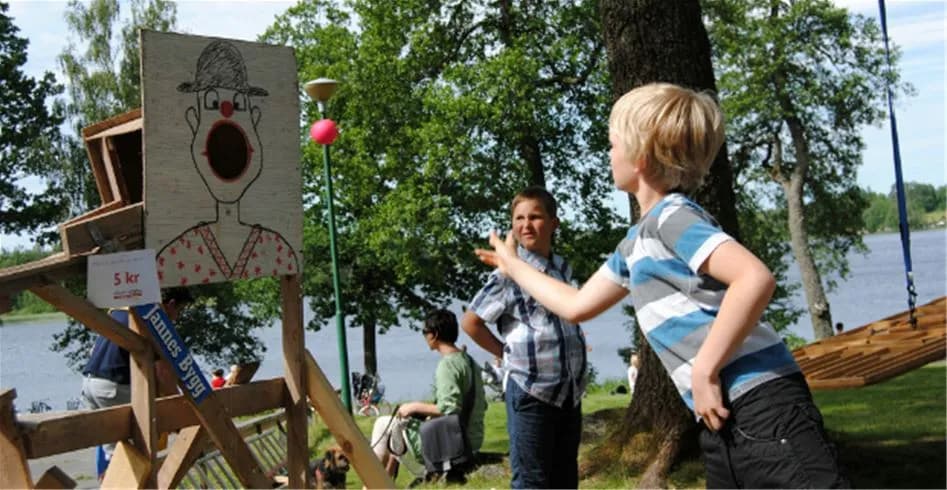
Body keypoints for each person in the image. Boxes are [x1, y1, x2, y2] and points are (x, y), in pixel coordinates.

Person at [474, 83, 849, 488]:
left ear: (640, 155)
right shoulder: (637, 242)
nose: (608, 154)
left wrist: (705, 370)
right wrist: (512, 264)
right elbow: (576, 304)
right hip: (720, 416)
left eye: (612, 144)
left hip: (762, 402)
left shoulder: (672, 217)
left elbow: (754, 278)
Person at [461, 186, 587, 489]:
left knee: (565, 479)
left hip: (569, 393)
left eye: (535, 217)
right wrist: (504, 352)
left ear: (554, 223)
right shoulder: (508, 275)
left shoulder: (560, 269)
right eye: (519, 219)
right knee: (532, 481)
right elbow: (471, 322)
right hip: (531, 391)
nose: (526, 225)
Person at [81, 287, 193, 478]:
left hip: (90, 383)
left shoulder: (119, 310)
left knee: (114, 452)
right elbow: (163, 373)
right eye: (179, 311)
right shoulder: (152, 320)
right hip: (115, 386)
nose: (177, 318)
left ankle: (108, 483)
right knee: (138, 452)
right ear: (170, 304)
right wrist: (180, 409)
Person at [370, 309, 487, 481]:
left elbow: (449, 407)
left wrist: (414, 406)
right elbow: (479, 404)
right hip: (473, 438)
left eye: (425, 332)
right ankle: (384, 481)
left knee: (383, 424)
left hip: (455, 444)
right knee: (399, 425)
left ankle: (370, 481)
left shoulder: (447, 366)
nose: (424, 336)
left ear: (435, 335)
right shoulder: (468, 360)